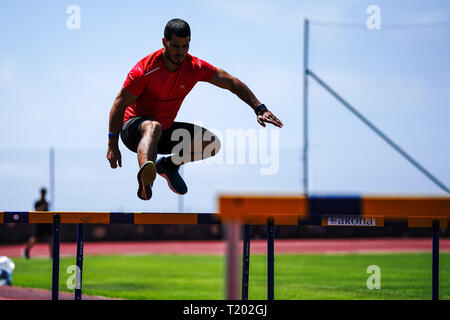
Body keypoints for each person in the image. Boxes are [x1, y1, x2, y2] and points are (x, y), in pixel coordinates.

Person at [107, 18, 283, 200]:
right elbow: (118, 104)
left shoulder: (194, 67)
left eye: (185, 46)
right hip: (133, 131)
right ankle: (146, 181)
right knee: (153, 126)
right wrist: (112, 145)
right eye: (175, 46)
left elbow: (231, 82)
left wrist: (259, 108)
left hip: (163, 131)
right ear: (164, 43)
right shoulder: (144, 70)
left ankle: (168, 165)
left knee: (210, 143)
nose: (180, 52)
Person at [23, 188, 52, 259]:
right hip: (40, 223)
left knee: (50, 238)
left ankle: (52, 254)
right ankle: (26, 250)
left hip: (47, 223)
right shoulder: (38, 202)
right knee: (35, 239)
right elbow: (35, 211)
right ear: (41, 193)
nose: (44, 194)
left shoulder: (46, 202)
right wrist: (42, 208)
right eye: (43, 193)